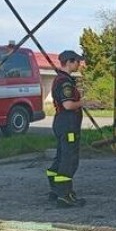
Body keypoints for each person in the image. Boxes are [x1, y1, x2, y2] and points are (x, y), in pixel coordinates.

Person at [46, 50, 86, 208]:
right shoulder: (65, 82)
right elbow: (68, 105)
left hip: (61, 122)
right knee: (69, 159)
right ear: (69, 62)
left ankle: (55, 189)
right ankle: (65, 195)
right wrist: (84, 102)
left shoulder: (60, 79)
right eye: (77, 61)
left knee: (61, 156)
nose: (79, 64)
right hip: (68, 123)